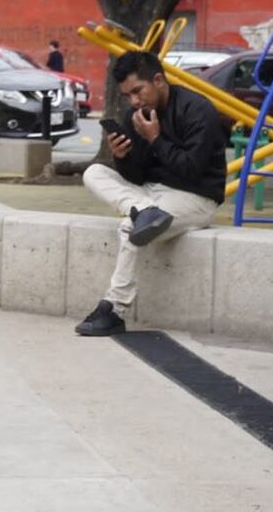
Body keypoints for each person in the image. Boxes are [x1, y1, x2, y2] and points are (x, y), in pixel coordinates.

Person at [75, 51, 226, 337]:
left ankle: (114, 310)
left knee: (130, 227)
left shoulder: (198, 110)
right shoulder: (137, 115)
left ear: (158, 80)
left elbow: (190, 170)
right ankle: (144, 209)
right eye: (127, 96)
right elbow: (139, 175)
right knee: (94, 173)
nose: (133, 102)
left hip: (194, 198)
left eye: (137, 91)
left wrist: (155, 138)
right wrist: (122, 157)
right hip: (151, 195)